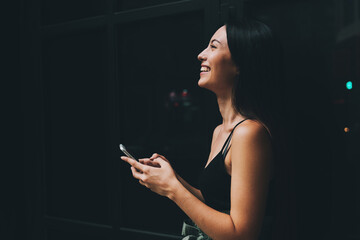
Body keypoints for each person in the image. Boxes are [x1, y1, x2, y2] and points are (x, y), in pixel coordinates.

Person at [121, 18, 286, 240]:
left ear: (240, 64)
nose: (201, 54)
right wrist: (173, 178)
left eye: (213, 46)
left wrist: (172, 188)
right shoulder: (220, 131)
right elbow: (215, 204)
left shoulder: (249, 133)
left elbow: (242, 235)